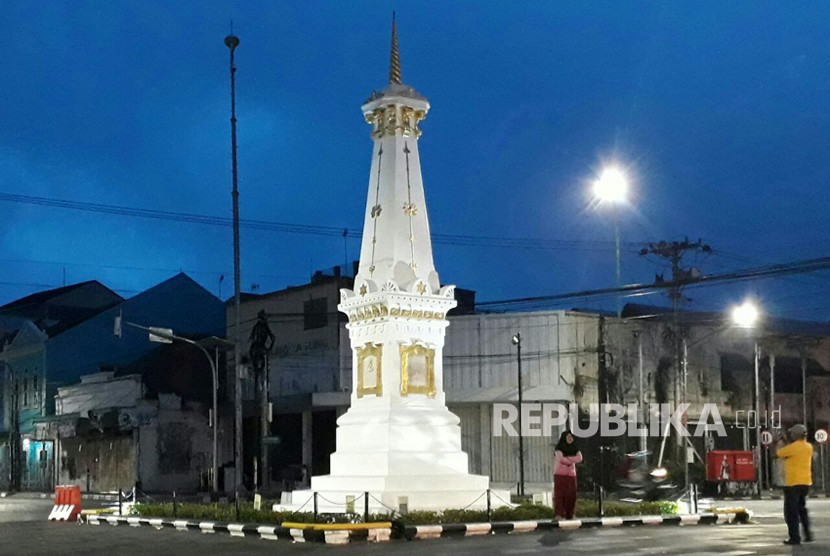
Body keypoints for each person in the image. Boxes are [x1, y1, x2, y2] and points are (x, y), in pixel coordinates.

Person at [775, 424, 814, 545]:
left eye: (791, 434)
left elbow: (776, 455)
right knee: (802, 509)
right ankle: (808, 535)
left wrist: (779, 442)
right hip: (805, 483)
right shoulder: (808, 447)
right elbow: (794, 450)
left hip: (792, 484)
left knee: (791, 512)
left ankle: (795, 538)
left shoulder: (792, 448)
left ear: (795, 435)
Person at [553, 430, 583, 519]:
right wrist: (572, 459)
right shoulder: (558, 449)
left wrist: (568, 458)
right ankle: (559, 514)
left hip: (571, 475)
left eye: (571, 437)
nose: (570, 439)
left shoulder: (575, 448)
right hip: (560, 474)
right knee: (560, 495)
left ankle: (570, 514)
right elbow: (561, 459)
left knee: (571, 495)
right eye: (568, 437)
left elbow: (580, 458)